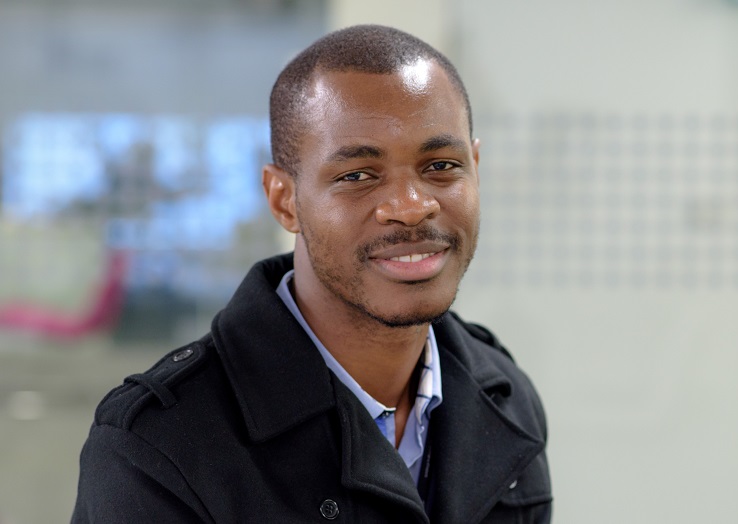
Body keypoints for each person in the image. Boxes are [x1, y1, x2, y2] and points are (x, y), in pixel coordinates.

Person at [72, 24, 551, 523]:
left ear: (475, 167)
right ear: (284, 201)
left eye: (442, 166)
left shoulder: (506, 399)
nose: (412, 207)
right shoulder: (160, 446)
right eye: (357, 176)